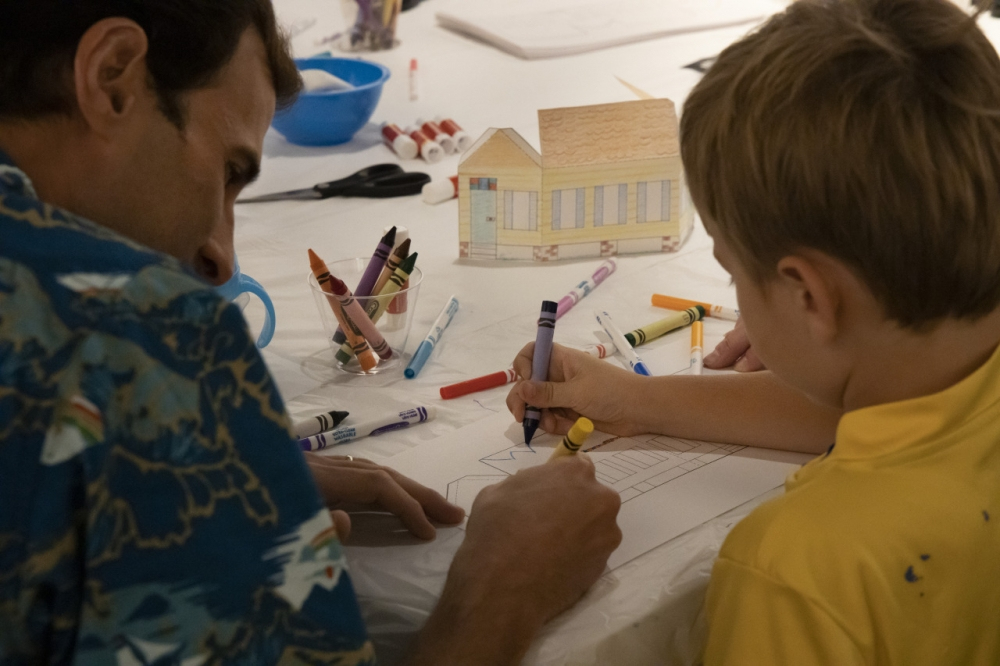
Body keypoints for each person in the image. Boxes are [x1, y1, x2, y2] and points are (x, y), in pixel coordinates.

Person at [0, 1, 621, 664]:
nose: (222, 260)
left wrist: (170, 472)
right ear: (113, 77)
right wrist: (505, 588)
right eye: (229, 171)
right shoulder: (140, 336)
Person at [508, 0, 1000, 662]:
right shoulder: (944, 375)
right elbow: (867, 413)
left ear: (809, 296)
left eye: (731, 271)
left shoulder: (796, 574)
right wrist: (637, 398)